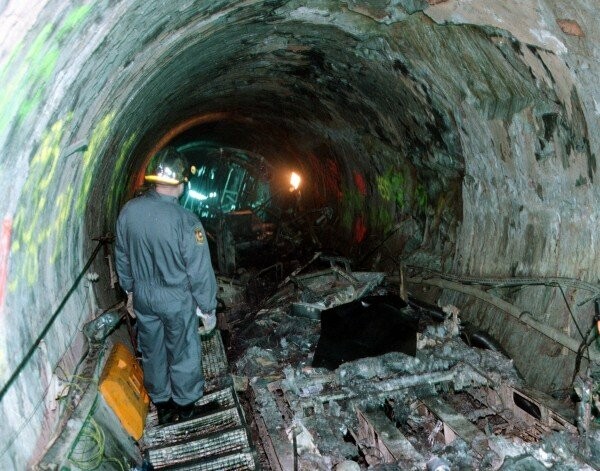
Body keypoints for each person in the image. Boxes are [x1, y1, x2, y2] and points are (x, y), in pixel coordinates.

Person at [115, 147, 217, 425]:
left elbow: (121, 256)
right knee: (183, 350)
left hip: (144, 295)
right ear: (181, 183)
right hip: (176, 298)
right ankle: (185, 405)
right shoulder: (186, 221)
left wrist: (131, 291)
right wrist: (207, 308)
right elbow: (200, 273)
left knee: (152, 350)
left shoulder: (129, 211)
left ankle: (162, 403)